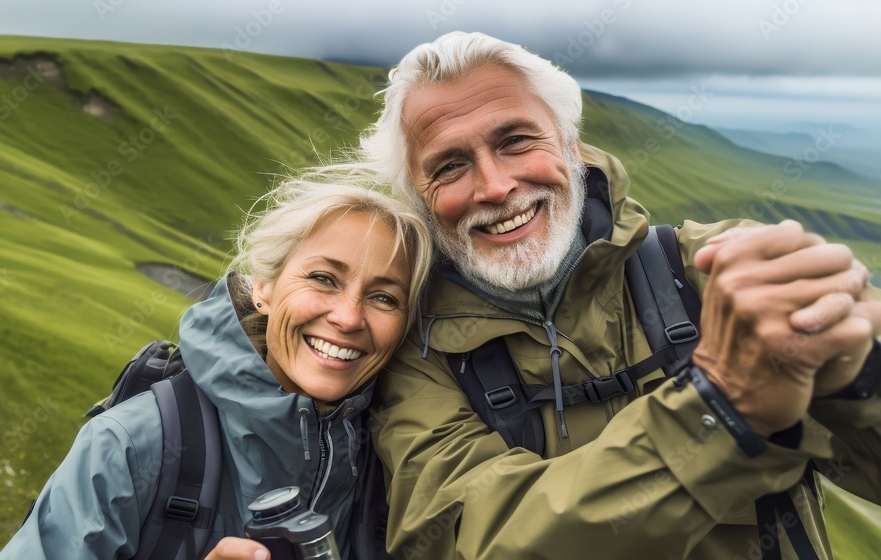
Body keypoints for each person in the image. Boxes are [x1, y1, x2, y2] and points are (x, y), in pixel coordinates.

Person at [356, 32, 881, 559]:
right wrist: (717, 409)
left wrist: (857, 380)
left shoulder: (715, 271)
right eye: (449, 166)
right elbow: (471, 540)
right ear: (421, 200)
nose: (494, 187)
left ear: (572, 146)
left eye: (516, 141)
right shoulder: (418, 353)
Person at [0, 177, 433, 560]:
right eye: (322, 278)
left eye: (384, 298)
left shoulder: (397, 454)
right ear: (261, 286)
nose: (349, 317)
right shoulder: (129, 443)